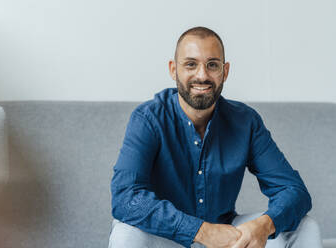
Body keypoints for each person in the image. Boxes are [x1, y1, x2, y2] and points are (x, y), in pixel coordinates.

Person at [108, 26, 323, 248]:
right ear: (173, 70)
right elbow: (126, 198)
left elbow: (294, 191)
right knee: (126, 233)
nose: (202, 75)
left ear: (225, 71)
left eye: (212, 65)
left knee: (305, 227)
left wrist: (264, 224)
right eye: (191, 64)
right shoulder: (148, 119)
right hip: (167, 239)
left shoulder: (245, 121)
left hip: (227, 238)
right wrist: (200, 231)